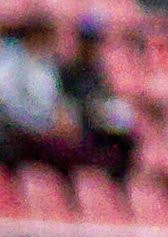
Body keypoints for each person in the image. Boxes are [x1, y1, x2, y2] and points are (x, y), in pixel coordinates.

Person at [0, 15, 82, 173]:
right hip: (15, 131)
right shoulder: (10, 58)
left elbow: (54, 100)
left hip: (42, 132)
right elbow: (5, 101)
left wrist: (61, 118)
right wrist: (43, 125)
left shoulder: (46, 64)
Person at [59, 13, 137, 182]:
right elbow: (63, 103)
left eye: (95, 41)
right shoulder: (67, 71)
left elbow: (105, 100)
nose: (92, 47)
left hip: (96, 128)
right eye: (89, 41)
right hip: (76, 129)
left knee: (127, 140)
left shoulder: (97, 73)